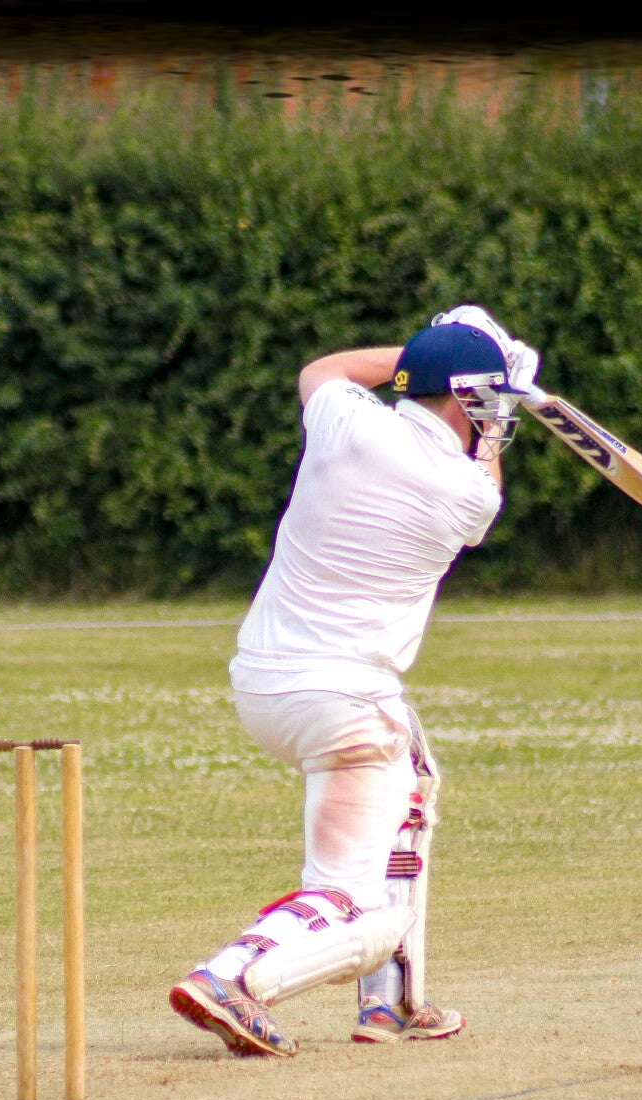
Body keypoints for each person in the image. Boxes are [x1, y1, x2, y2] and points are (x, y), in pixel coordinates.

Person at [169, 306, 539, 1056]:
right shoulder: (467, 493)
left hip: (263, 683)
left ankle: (392, 1002)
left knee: (416, 786)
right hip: (346, 706)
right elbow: (486, 487)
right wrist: (494, 420)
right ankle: (230, 977)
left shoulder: (343, 418)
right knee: (353, 905)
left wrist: (442, 359)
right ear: (470, 400)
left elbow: (325, 369)